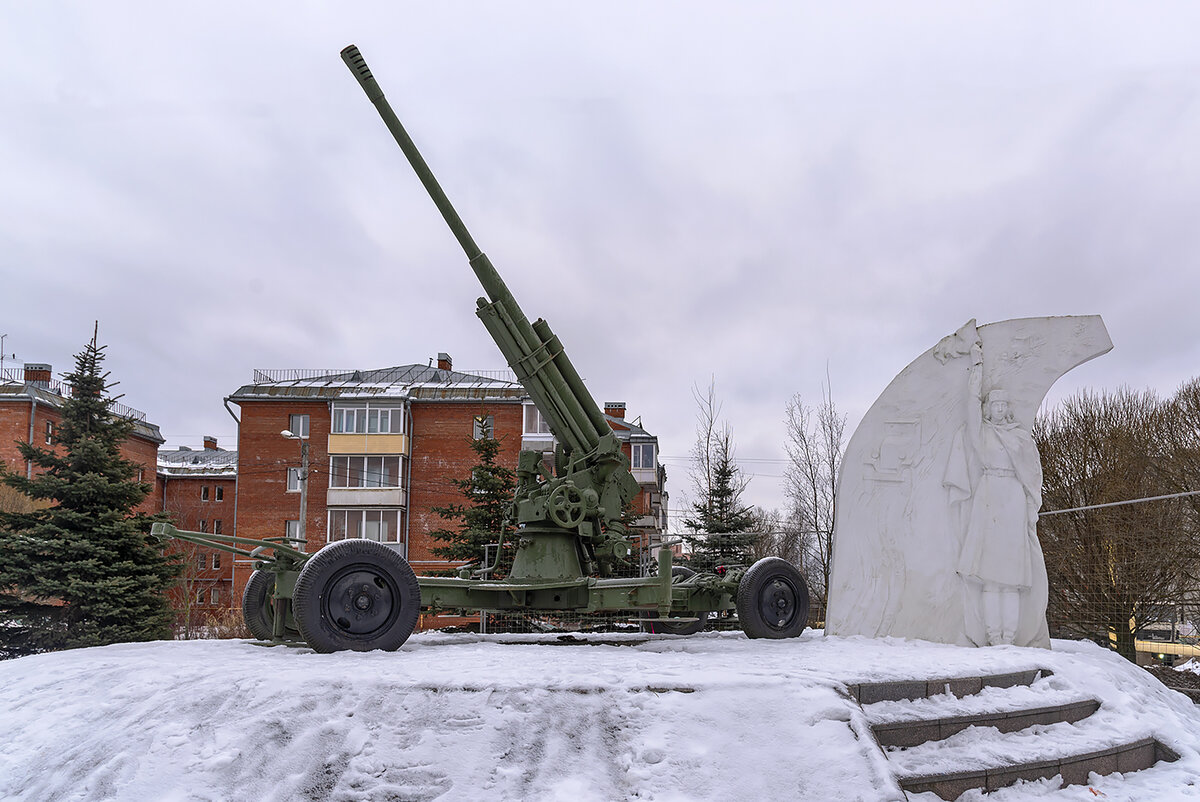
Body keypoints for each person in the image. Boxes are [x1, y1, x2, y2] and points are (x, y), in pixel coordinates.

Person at [954, 344, 1044, 645]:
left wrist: (1030, 506)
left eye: (1004, 405)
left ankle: (1010, 637)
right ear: (989, 408)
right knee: (991, 578)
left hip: (1013, 500)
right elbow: (970, 407)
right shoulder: (982, 434)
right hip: (989, 496)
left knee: (1012, 578)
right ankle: (994, 637)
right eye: (995, 406)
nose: (1000, 410)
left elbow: (1032, 474)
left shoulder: (1020, 437)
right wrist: (976, 369)